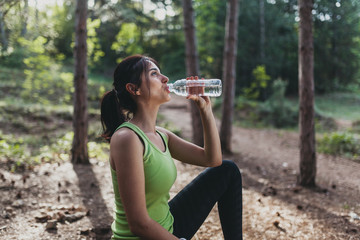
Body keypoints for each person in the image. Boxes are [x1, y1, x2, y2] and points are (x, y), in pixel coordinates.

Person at [100, 55, 243, 240]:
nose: (165, 78)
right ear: (134, 89)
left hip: (168, 226)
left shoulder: (161, 135)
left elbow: (212, 159)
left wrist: (205, 110)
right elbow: (138, 223)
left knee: (227, 170)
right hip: (144, 236)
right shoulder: (127, 138)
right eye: (154, 74)